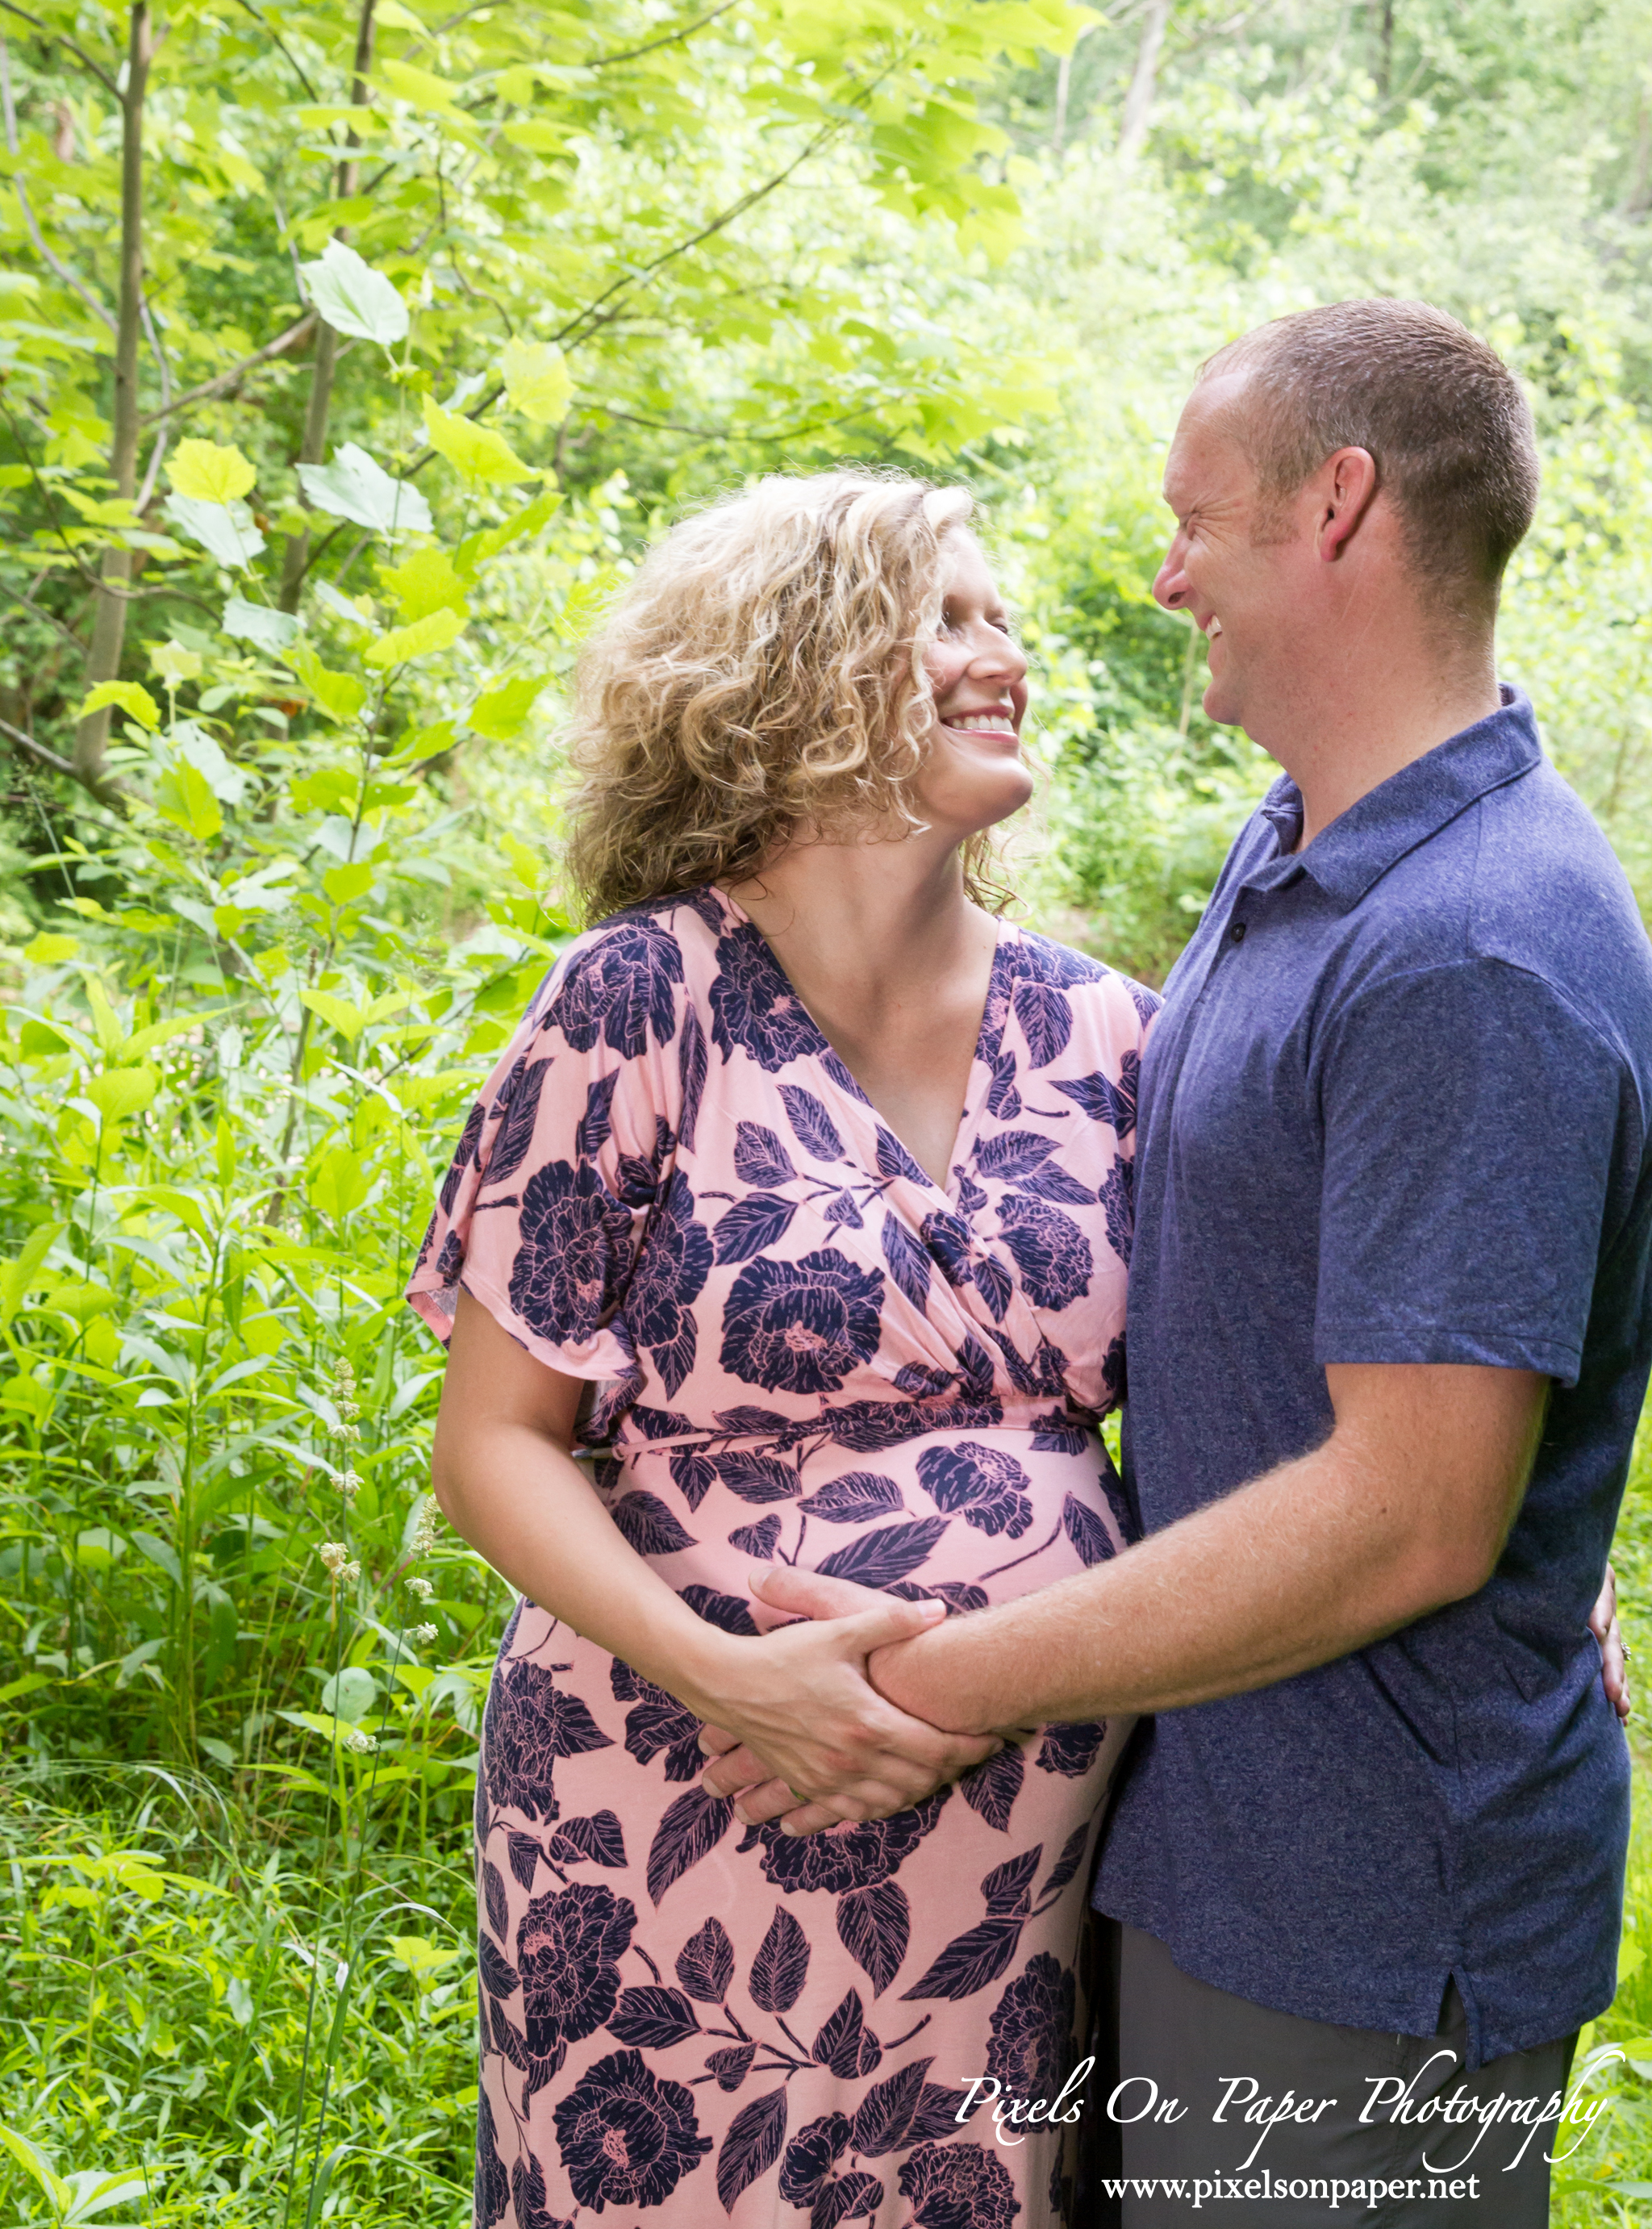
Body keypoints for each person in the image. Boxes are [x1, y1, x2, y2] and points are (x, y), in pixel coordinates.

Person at [698, 303, 1652, 2225]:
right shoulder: (1301, 857)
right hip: (1200, 1847)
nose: (1160, 574)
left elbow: (1406, 1520)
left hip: (1364, 1921)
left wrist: (938, 1677)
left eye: (1194, 518)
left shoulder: (1473, 945)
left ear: (1338, 507)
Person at [410, 470, 1158, 2229]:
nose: (1009, 656)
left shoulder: (1113, 1032)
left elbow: (1290, 1378)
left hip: (1008, 1852)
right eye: (952, 618)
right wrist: (726, 1672)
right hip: (661, 1797)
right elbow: (495, 1441)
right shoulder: (635, 1004)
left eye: (1005, 619)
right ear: (799, 665)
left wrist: (1510, 1547)